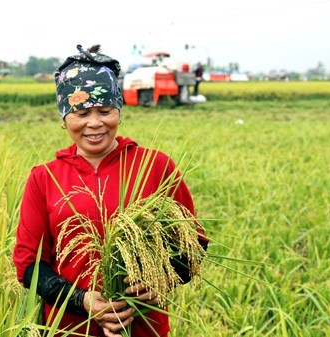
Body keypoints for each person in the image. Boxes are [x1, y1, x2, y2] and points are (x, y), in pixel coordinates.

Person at [12, 44, 207, 337]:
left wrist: (160, 280)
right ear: (64, 119)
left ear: (118, 111)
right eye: (81, 113)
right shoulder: (45, 177)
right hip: (70, 328)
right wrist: (83, 300)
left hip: (143, 327)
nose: (95, 123)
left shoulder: (154, 166)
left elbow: (194, 246)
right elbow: (29, 266)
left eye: (105, 111)